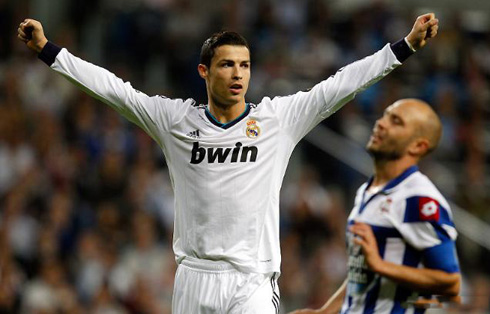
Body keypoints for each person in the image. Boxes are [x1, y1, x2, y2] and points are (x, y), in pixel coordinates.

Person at [18, 14, 439, 314]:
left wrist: (402, 48)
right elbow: (114, 91)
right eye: (227, 64)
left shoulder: (278, 120)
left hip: (251, 281)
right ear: (204, 71)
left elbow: (341, 85)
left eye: (245, 65)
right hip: (192, 278)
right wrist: (49, 51)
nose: (238, 73)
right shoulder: (175, 121)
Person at [289, 99, 461, 314]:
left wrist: (381, 266)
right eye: (385, 115)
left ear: (418, 145)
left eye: (396, 122)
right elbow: (362, 273)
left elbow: (450, 281)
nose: (381, 123)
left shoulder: (419, 199)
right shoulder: (367, 191)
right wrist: (323, 312)